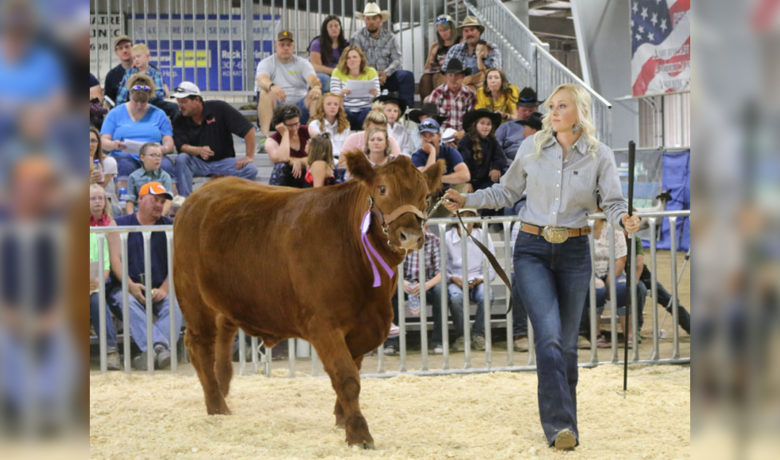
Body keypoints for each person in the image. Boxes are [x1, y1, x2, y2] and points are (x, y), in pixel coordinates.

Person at [443, 83, 641, 450]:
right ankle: (561, 427)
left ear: (579, 111)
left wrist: (625, 219)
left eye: (561, 106)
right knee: (548, 339)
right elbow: (505, 193)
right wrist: (467, 198)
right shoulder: (532, 149)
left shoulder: (600, 155)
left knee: (566, 347)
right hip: (532, 248)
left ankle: (567, 423)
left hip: (575, 251)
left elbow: (612, 203)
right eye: (552, 107)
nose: (553, 112)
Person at [107, 181, 182, 370]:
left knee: (175, 303)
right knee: (127, 301)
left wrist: (165, 288)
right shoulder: (119, 224)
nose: (159, 205)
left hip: (160, 286)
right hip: (126, 287)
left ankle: (152, 353)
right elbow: (115, 260)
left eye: (162, 201)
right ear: (140, 199)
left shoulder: (171, 226)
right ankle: (160, 348)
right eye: (154, 200)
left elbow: (177, 262)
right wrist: (130, 285)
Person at [171, 81, 258, 197]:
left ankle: (225, 196)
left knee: (250, 170)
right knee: (181, 159)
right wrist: (198, 150)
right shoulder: (178, 118)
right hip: (198, 163)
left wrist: (249, 156)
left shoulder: (219, 108)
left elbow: (248, 130)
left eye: (184, 102)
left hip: (223, 162)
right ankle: (185, 201)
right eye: (178, 102)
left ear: (197, 100)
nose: (180, 106)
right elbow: (181, 146)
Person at [100, 73, 176, 187]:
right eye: (136, 101)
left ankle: (172, 199)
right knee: (125, 165)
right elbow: (103, 141)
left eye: (143, 102)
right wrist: (114, 145)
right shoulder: (115, 113)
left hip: (153, 155)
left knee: (166, 166)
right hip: (124, 154)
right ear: (130, 94)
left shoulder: (159, 114)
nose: (139, 105)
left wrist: (163, 149)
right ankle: (124, 200)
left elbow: (168, 141)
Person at [398, 228, 461, 354]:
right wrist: (401, 282)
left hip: (428, 284)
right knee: (392, 290)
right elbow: (393, 266)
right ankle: (392, 343)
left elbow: (442, 271)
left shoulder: (434, 241)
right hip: (406, 283)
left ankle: (438, 341)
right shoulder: (401, 240)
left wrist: (426, 285)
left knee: (440, 291)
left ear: (427, 227)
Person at [445, 209, 496, 351]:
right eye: (463, 216)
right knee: (455, 298)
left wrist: (480, 279)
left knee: (487, 295)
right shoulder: (447, 237)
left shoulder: (483, 235)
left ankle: (478, 334)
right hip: (455, 279)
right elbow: (442, 266)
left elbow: (491, 266)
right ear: (456, 218)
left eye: (470, 216)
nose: (466, 220)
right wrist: (453, 278)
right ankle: (461, 336)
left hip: (477, 279)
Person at [255, 30, 322, 138]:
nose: (286, 48)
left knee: (315, 95)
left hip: (300, 105)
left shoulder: (303, 63)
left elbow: (312, 78)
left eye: (288, 45)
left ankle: (312, 136)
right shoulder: (266, 63)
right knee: (265, 93)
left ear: (293, 47)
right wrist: (272, 86)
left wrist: (316, 87)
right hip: (278, 106)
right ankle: (265, 137)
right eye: (282, 45)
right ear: (276, 46)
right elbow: (261, 79)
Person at [350, 2, 415, 109]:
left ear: (380, 19)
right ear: (364, 20)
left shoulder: (390, 37)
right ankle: (362, 109)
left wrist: (386, 73)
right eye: (368, 19)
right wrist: (372, 74)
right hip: (365, 76)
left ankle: (406, 110)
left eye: (374, 18)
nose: (371, 22)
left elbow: (397, 60)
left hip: (386, 77)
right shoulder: (357, 37)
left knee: (406, 76)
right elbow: (355, 61)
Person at [89, 184, 120, 370]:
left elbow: (111, 259)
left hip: (102, 277)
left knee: (97, 298)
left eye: (101, 198)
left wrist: (99, 280)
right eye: (93, 198)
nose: (98, 202)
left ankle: (111, 351)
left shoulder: (111, 224)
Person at [115, 43, 178, 119]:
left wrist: (145, 98)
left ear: (147, 57)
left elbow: (160, 93)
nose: (136, 60)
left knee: (174, 107)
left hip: (151, 102)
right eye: (134, 58)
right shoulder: (129, 73)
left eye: (138, 56)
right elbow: (122, 95)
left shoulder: (155, 73)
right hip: (133, 102)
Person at [442, 16, 502, 91]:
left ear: (479, 32)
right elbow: (444, 72)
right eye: (466, 31)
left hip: (483, 89)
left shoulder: (490, 48)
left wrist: (470, 79)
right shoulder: (454, 49)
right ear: (463, 33)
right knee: (428, 99)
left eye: (472, 30)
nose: (469, 33)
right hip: (455, 86)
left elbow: (493, 73)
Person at [411, 118, 470, 192]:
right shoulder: (417, 156)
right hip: (428, 193)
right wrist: (432, 152)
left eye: (431, 135)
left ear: (439, 136)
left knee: (462, 184)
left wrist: (438, 179)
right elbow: (424, 179)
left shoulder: (449, 151)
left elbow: (465, 175)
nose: (428, 140)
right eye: (424, 136)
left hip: (448, 189)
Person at [329, 45, 380, 130]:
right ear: (345, 60)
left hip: (365, 107)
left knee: (370, 112)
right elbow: (334, 96)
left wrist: (374, 93)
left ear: (361, 58)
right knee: (343, 112)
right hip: (347, 108)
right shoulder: (337, 72)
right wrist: (341, 93)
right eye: (348, 58)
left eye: (354, 57)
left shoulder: (371, 71)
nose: (351, 60)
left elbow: (378, 94)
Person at [458, 109, 508, 193]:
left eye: (488, 124)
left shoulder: (491, 140)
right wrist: (467, 182)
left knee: (500, 183)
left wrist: (496, 168)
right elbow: (462, 164)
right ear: (475, 125)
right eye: (482, 123)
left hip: (484, 180)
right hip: (467, 180)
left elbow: (501, 157)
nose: (486, 127)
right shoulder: (466, 141)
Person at [425, 58, 476, 136]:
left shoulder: (469, 94)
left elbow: (472, 121)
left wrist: (463, 134)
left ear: (463, 77)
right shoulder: (437, 94)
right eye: (450, 75)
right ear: (445, 77)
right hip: (441, 136)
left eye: (457, 75)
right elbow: (430, 121)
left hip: (462, 136)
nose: (453, 79)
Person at [265, 104, 311, 188]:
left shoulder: (307, 130)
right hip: (287, 177)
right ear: (280, 125)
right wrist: (285, 134)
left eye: (296, 124)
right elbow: (283, 159)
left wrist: (299, 161)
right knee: (281, 166)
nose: (294, 128)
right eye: (290, 125)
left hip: (307, 174)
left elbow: (320, 155)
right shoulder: (271, 141)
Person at [419, 14, 460, 103]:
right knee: (425, 78)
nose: (443, 33)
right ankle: (427, 107)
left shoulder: (459, 43)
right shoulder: (435, 46)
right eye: (440, 31)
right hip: (437, 73)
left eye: (445, 30)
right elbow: (427, 67)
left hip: (452, 74)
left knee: (437, 77)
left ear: (452, 29)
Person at [495, 87, 543, 160]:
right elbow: (496, 150)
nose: (527, 114)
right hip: (509, 165)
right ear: (517, 108)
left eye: (531, 111)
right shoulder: (505, 127)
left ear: (536, 109)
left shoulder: (544, 127)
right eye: (524, 110)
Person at [125, 142, 173, 215]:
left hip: (159, 213)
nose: (157, 158)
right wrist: (132, 218)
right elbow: (130, 200)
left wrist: (160, 217)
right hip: (139, 214)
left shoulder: (165, 176)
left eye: (159, 156)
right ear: (142, 157)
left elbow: (168, 200)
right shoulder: (133, 176)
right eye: (153, 155)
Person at [308, 15, 348, 92]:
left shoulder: (346, 44)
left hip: (342, 75)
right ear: (325, 29)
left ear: (340, 28)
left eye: (336, 25)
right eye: (330, 26)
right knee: (324, 79)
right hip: (325, 75)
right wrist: (335, 71)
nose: (334, 28)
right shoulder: (317, 43)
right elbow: (315, 67)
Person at [307, 92, 351, 162]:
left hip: (342, 159)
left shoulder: (345, 125)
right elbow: (320, 147)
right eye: (329, 104)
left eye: (336, 104)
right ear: (322, 106)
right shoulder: (315, 124)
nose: (332, 107)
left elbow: (347, 147)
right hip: (324, 160)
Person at [90, 126, 120, 216]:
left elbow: (100, 188)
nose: (89, 144)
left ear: (99, 144)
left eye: (93, 141)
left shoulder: (109, 162)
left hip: (107, 204)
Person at [103, 35, 134, 103]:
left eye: (127, 47)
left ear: (133, 48)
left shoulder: (147, 70)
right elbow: (108, 101)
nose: (124, 50)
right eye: (120, 48)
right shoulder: (111, 75)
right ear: (116, 52)